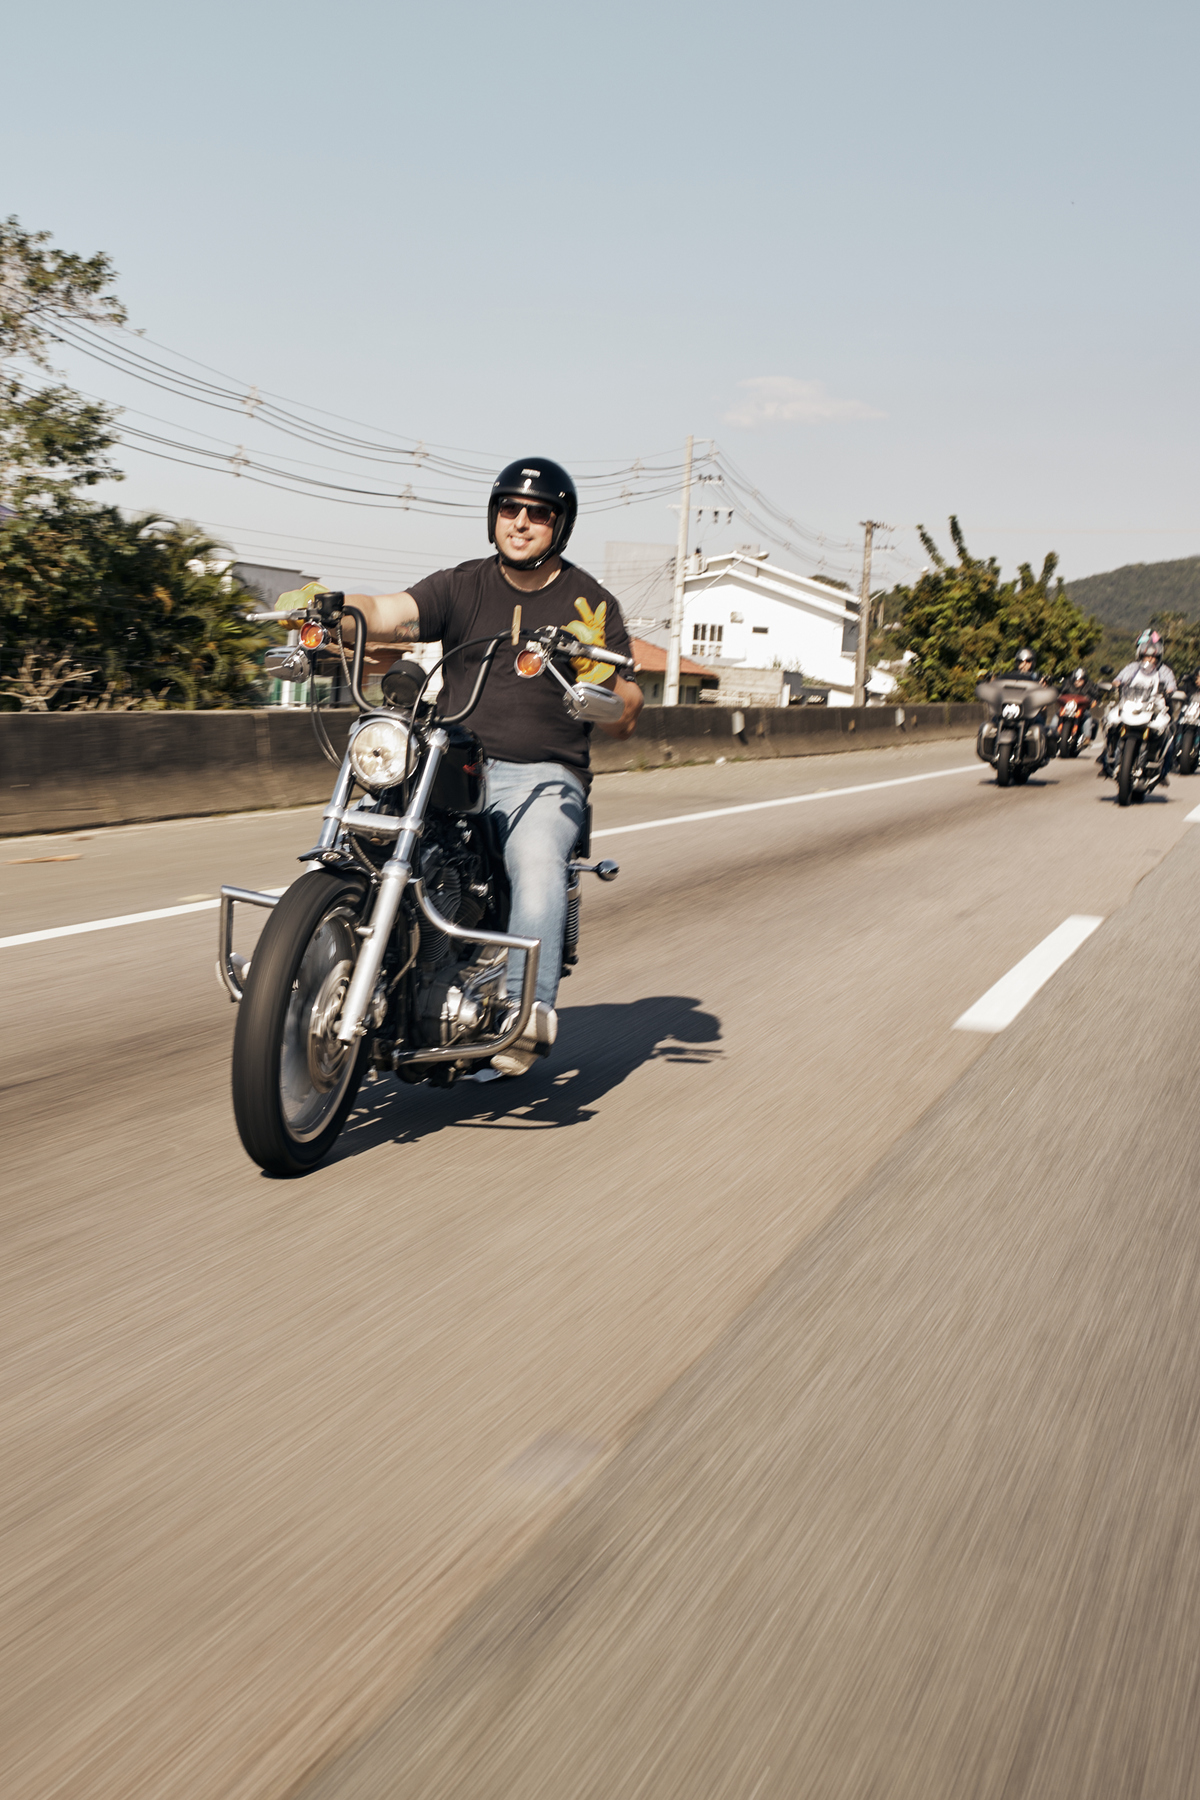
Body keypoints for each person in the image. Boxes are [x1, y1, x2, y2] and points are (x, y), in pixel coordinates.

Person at [341, 457, 643, 1077]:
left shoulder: (590, 602)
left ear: (560, 525)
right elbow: (387, 610)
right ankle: (329, 960)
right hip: (450, 759)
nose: (521, 522)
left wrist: (599, 676)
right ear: (494, 516)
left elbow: (629, 712)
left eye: (539, 513)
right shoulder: (461, 585)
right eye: (510, 508)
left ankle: (523, 1011)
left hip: (542, 772)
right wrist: (331, 607)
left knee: (536, 859)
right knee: (366, 830)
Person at [1099, 632, 1178, 779]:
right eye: (1146, 656)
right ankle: (1107, 761)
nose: (1150, 659)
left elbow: (1171, 685)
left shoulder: (1164, 670)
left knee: (1169, 733)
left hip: (1154, 706)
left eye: (1153, 657)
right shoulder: (1132, 667)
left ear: (1158, 657)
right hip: (1130, 703)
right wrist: (1115, 684)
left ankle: (1164, 771)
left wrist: (1169, 691)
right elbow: (1119, 679)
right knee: (1110, 724)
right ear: (1140, 655)